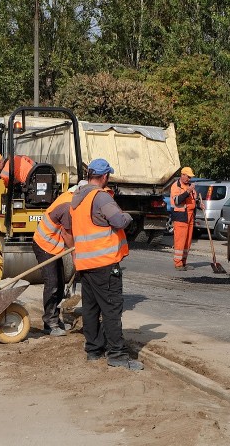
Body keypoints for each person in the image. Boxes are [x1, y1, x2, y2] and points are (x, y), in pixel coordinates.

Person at [66, 158, 142, 371]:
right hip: (104, 264)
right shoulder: (99, 197)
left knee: (90, 308)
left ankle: (93, 350)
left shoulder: (78, 198)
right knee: (111, 308)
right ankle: (116, 354)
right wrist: (127, 216)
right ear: (105, 176)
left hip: (86, 264)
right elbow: (118, 221)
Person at [31, 179, 86, 336]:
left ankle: (55, 319)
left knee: (60, 283)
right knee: (53, 283)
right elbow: (67, 235)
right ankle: (50, 323)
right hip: (44, 245)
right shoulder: (68, 206)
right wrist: (76, 256)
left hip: (54, 247)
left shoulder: (72, 197)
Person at [170, 167, 200, 271]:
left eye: (190, 177)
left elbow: (193, 200)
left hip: (190, 216)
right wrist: (188, 191)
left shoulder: (189, 187)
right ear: (182, 175)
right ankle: (178, 263)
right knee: (180, 241)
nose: (189, 179)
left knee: (187, 241)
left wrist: (200, 204)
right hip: (180, 217)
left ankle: (183, 262)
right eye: (188, 176)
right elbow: (177, 200)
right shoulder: (176, 186)